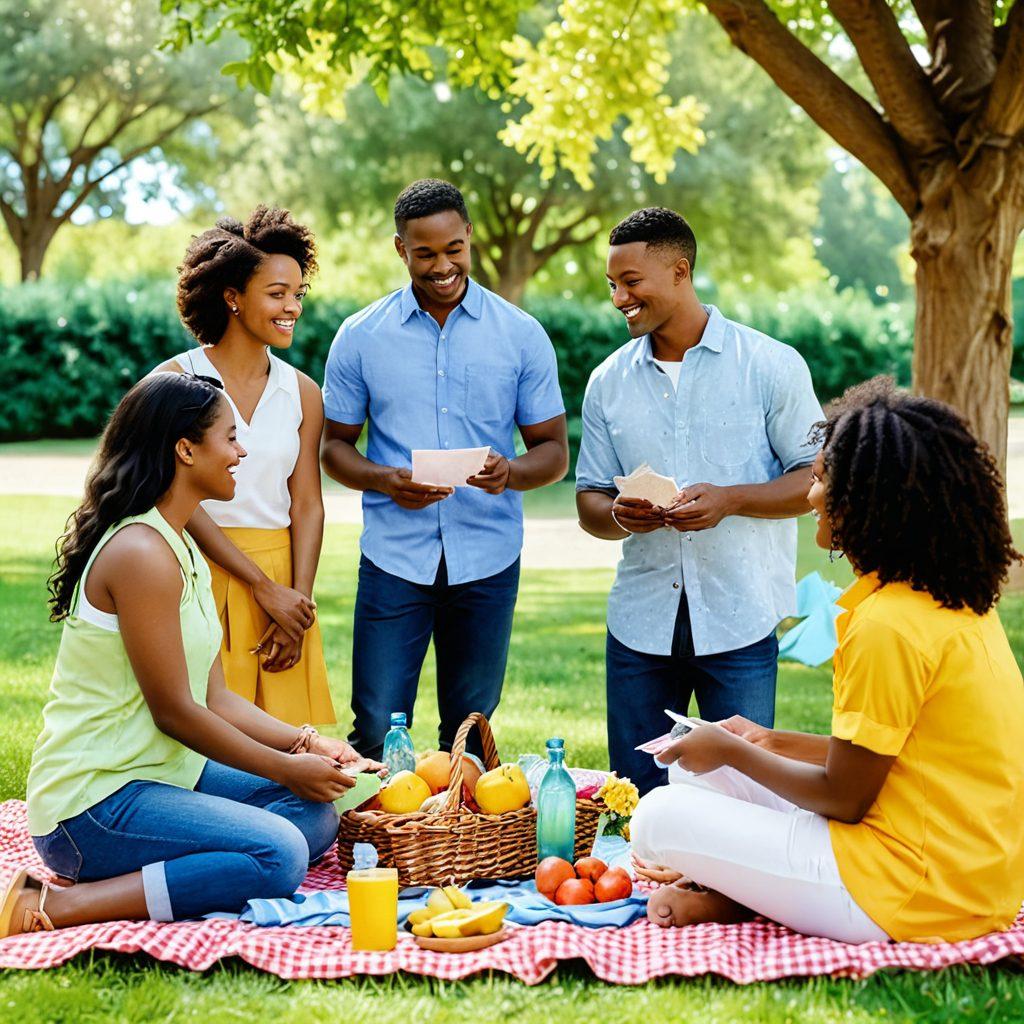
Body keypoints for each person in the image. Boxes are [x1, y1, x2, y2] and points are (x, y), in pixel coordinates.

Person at [630, 378, 1024, 945]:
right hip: (970, 876)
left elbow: (845, 796)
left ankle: (748, 897)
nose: (810, 494)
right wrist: (767, 740)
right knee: (698, 770)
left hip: (910, 894)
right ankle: (743, 895)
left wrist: (735, 751)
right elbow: (893, 759)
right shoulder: (947, 601)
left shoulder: (888, 625)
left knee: (656, 817)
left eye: (821, 479)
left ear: (870, 500)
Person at [0, 373, 381, 938]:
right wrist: (284, 769)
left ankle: (187, 861)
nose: (241, 451)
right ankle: (56, 907)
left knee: (316, 810)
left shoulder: (180, 544)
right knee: (280, 855)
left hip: (162, 777)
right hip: (93, 803)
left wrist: (306, 744)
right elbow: (176, 712)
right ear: (185, 449)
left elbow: (217, 698)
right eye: (230, 438)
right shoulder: (140, 553)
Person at [575, 207, 823, 795]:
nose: (618, 298)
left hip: (740, 622)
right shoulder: (607, 381)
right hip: (638, 628)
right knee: (630, 800)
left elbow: (815, 480)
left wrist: (732, 500)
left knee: (743, 795)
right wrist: (617, 515)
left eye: (631, 282)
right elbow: (589, 497)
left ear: (680, 271)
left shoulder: (770, 365)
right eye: (612, 284)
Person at [321, 179, 568, 760]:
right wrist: (384, 479)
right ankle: (377, 849)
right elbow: (334, 446)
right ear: (400, 249)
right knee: (378, 723)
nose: (441, 265)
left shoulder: (521, 334)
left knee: (471, 730)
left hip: (488, 556)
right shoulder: (360, 337)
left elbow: (554, 450)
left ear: (470, 239)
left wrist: (511, 472)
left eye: (453, 249)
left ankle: (464, 849)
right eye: (425, 252)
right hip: (393, 557)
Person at [155, 206, 335, 726]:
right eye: (276, 294)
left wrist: (296, 606)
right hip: (199, 569)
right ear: (232, 297)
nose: (292, 308)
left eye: (298, 294)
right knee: (207, 734)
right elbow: (170, 498)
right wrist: (260, 585)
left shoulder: (303, 391)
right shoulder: (175, 382)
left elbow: (307, 504)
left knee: (289, 745)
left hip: (284, 577)